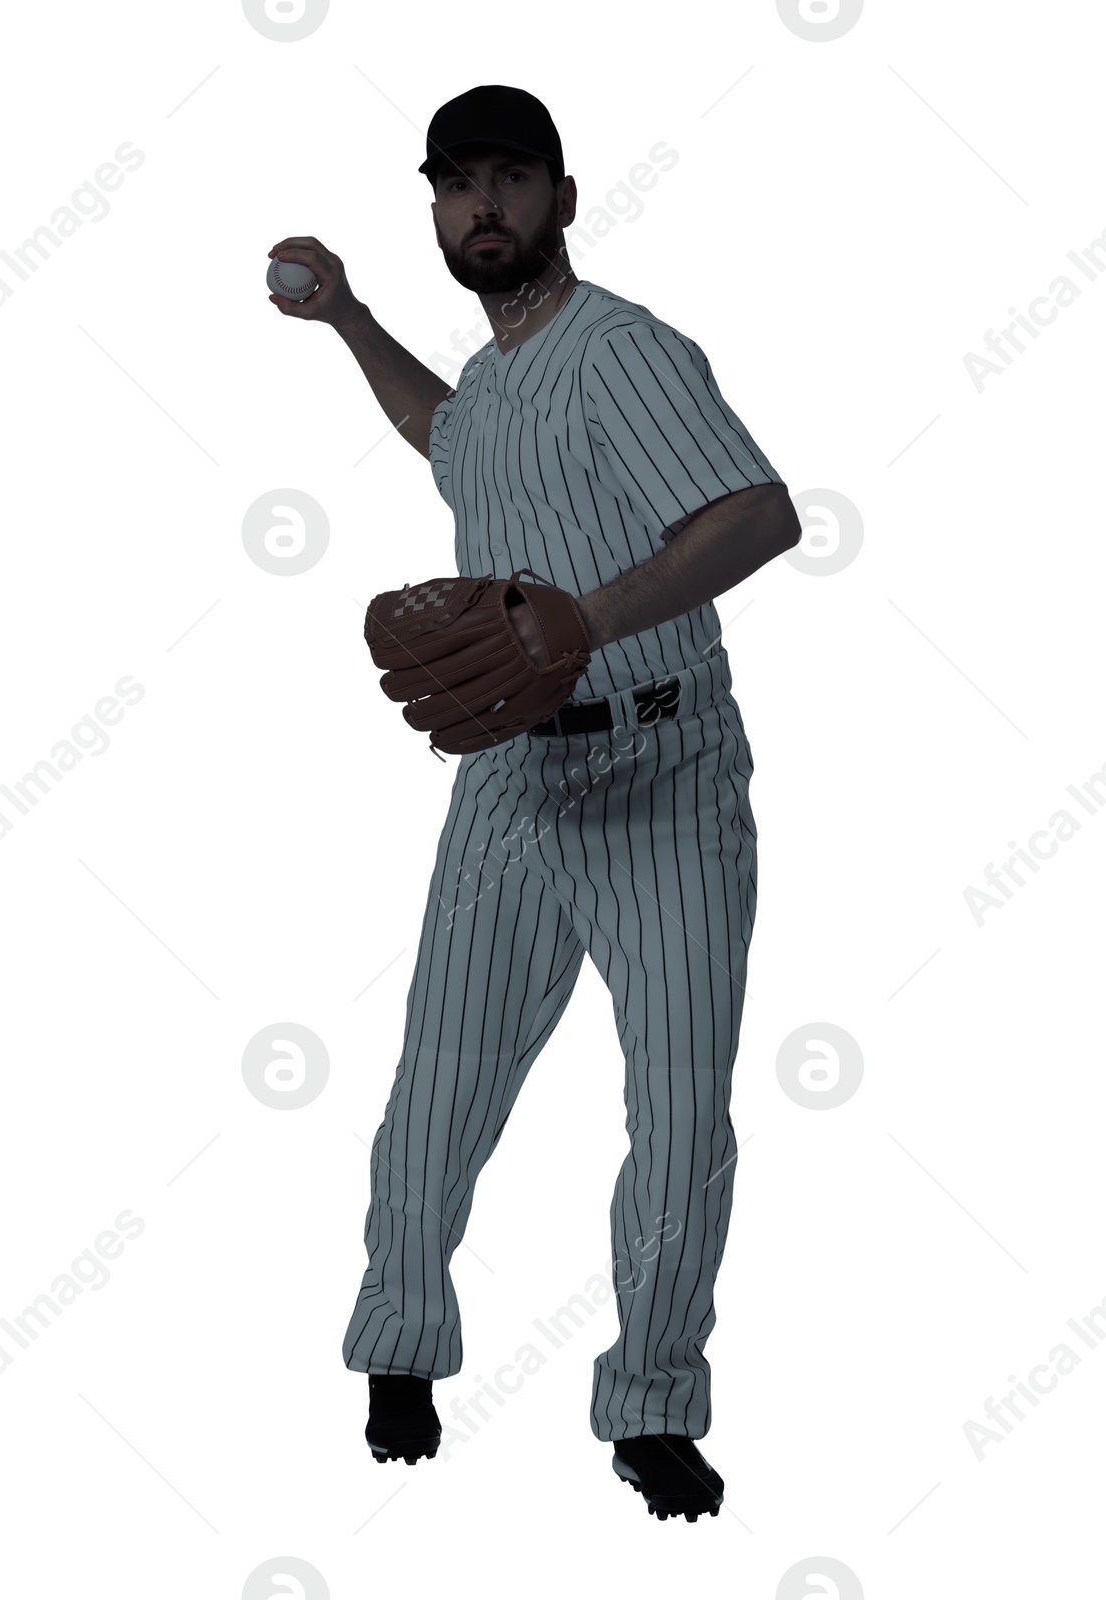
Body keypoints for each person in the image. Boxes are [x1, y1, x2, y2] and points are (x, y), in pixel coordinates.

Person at [267, 83, 799, 1524]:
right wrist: (351, 322)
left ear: (563, 197)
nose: (485, 205)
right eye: (460, 185)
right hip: (512, 775)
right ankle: (400, 1353)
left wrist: (591, 615)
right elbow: (449, 438)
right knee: (436, 1094)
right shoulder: (497, 378)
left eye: (512, 179)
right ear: (436, 210)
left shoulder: (625, 350)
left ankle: (651, 1410)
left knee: (680, 1111)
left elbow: (758, 515)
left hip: (665, 773)